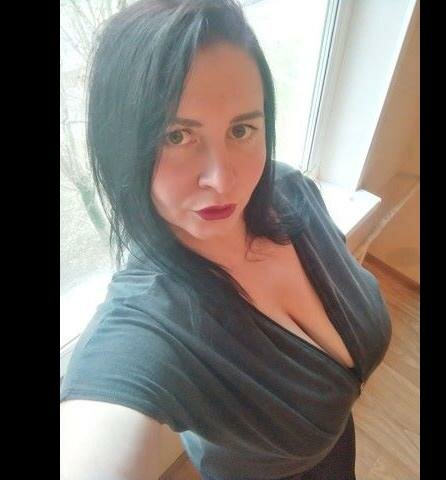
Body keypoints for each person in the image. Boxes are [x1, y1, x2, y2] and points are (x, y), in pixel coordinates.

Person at [60, 1, 392, 479]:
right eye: (176, 136)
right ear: (122, 147)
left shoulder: (289, 190)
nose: (222, 179)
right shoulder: (149, 322)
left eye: (241, 129)